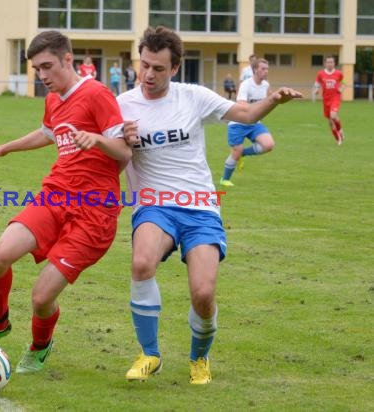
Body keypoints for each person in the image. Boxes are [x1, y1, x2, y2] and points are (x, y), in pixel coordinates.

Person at [117, 26, 301, 384]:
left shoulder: (193, 96)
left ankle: (199, 358)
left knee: (203, 293)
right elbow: (111, 153)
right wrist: (123, 141)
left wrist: (274, 101)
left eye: (158, 68)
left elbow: (246, 115)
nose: (149, 74)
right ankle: (149, 354)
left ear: (175, 68)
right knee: (141, 263)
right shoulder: (122, 104)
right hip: (154, 204)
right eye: (145, 65)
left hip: (200, 205)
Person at [0, 30, 132, 374]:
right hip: (55, 197)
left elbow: (124, 153)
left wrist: (96, 140)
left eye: (48, 67)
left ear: (69, 59)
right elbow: (48, 133)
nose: (43, 76)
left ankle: (39, 346)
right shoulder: (53, 99)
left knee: (41, 298)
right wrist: (4, 147)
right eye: (37, 69)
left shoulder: (97, 95)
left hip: (94, 214)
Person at [220, 58, 276, 187]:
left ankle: (243, 153)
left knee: (269, 145)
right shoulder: (246, 84)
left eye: (267, 69)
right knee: (235, 152)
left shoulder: (266, 85)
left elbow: (267, 100)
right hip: (238, 123)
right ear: (255, 70)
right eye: (263, 69)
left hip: (254, 123)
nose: (266, 71)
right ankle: (224, 179)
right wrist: (257, 107)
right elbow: (241, 103)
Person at [314, 55, 345, 145]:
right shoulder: (321, 74)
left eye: (331, 62)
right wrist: (316, 89)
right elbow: (317, 82)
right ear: (325, 63)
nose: (330, 64)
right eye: (328, 62)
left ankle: (341, 130)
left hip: (335, 98)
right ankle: (338, 139)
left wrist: (342, 88)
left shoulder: (338, 74)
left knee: (333, 115)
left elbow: (344, 82)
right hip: (326, 100)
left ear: (334, 63)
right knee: (330, 122)